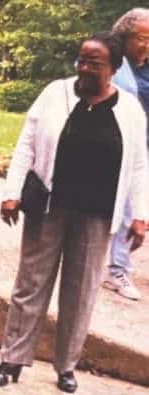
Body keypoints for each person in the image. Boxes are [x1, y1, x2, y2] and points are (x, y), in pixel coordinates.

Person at [0, 33, 148, 393]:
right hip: (48, 206)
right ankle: (11, 360)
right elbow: (27, 142)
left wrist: (140, 215)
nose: (85, 68)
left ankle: (66, 367)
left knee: (81, 292)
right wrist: (11, 193)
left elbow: (138, 165)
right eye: (82, 60)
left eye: (95, 63)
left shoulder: (130, 110)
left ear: (114, 68)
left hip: (97, 214)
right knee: (30, 285)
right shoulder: (55, 94)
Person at [103, 8, 149, 301]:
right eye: (142, 38)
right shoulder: (114, 63)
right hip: (119, 144)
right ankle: (117, 268)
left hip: (144, 144)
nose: (146, 45)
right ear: (125, 36)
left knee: (134, 208)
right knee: (126, 207)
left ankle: (117, 266)